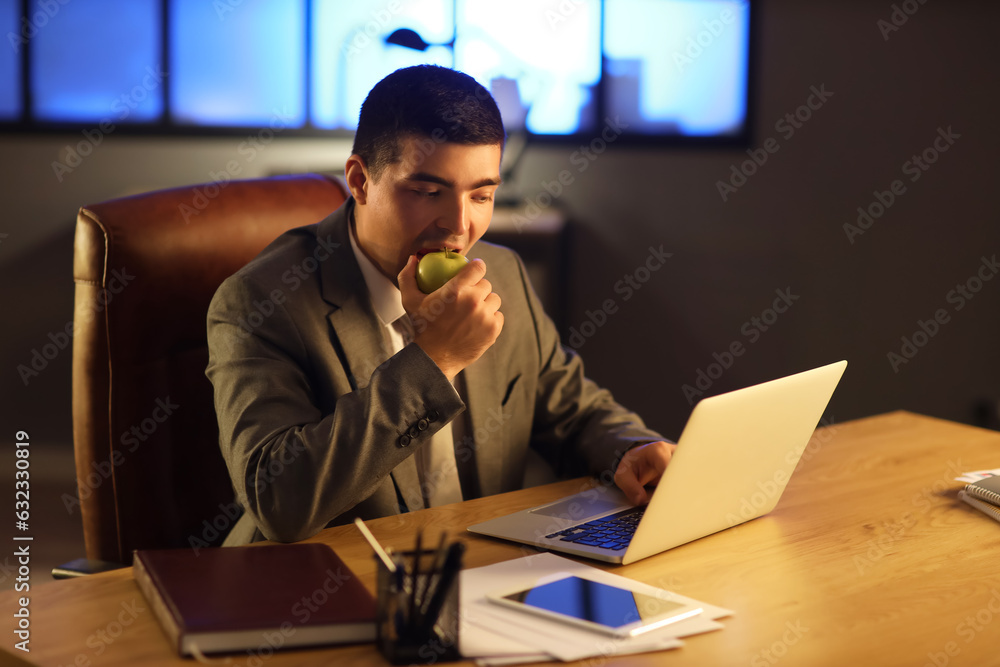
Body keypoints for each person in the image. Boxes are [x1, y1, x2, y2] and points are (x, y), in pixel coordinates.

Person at [206, 65, 674, 545]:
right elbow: (278, 501)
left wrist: (631, 449)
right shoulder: (259, 302)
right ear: (360, 181)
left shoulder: (502, 273)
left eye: (482, 195)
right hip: (332, 593)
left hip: (478, 573)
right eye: (428, 193)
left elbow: (571, 408)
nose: (459, 226)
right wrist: (435, 360)